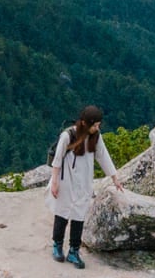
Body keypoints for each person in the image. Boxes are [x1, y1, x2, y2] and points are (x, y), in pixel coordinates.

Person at [48, 106, 117, 263]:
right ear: (85, 123)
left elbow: (103, 157)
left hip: (84, 183)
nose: (97, 128)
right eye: (95, 125)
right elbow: (57, 160)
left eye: (98, 125)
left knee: (79, 216)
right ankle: (57, 245)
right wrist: (54, 182)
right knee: (62, 214)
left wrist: (114, 177)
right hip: (66, 181)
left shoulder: (96, 137)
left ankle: (74, 251)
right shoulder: (68, 136)